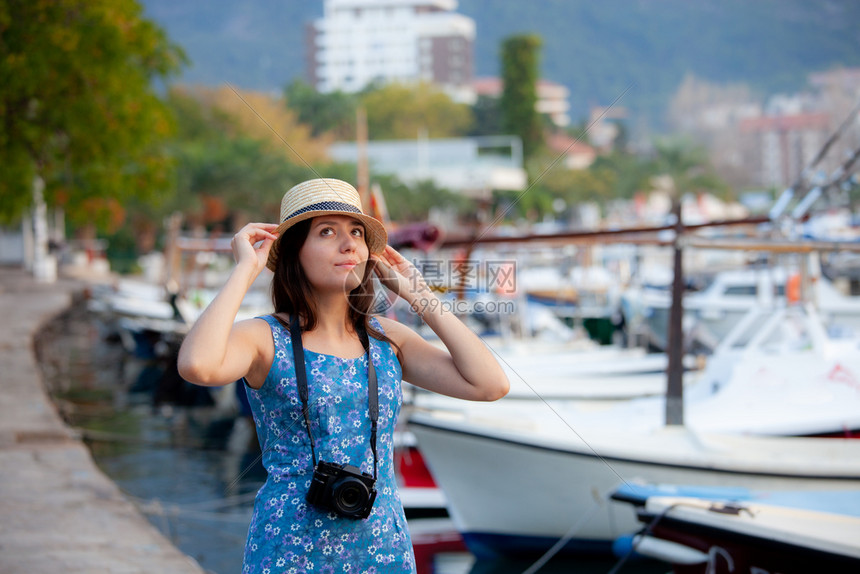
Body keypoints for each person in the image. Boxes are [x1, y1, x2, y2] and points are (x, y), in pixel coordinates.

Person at [177, 178, 509, 573]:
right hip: (289, 552)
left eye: (356, 232)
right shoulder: (265, 337)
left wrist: (418, 292)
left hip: (382, 550)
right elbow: (197, 365)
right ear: (294, 252)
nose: (348, 244)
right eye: (326, 232)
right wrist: (245, 271)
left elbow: (489, 385)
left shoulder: (387, 339)